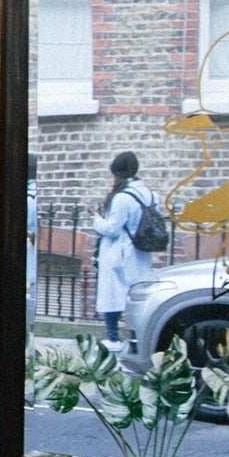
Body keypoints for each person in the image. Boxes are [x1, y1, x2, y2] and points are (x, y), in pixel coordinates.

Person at [92, 150, 158, 354]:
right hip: (141, 252)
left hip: (118, 252)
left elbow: (111, 229)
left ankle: (113, 338)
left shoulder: (122, 197)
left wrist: (95, 218)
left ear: (118, 173)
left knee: (112, 296)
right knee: (135, 297)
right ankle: (136, 339)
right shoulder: (152, 195)